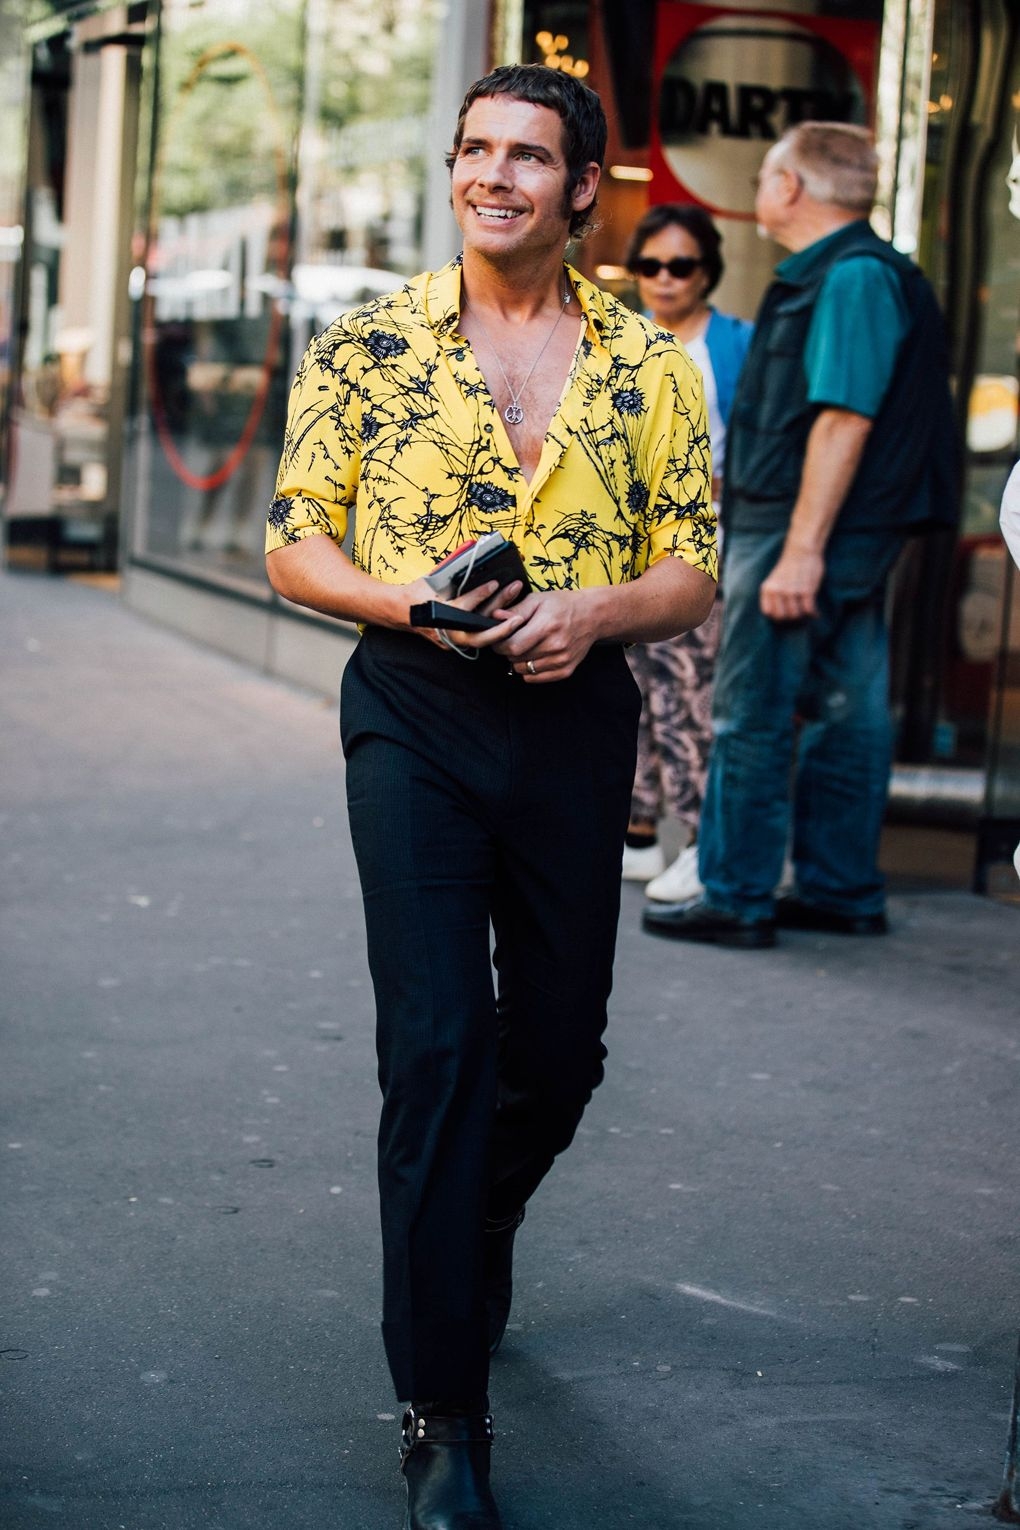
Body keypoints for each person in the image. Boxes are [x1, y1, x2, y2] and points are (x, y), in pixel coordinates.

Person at [265, 64, 715, 1529]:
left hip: (576, 718)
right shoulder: (369, 343)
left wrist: (592, 613)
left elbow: (694, 563)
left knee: (563, 1048)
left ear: (585, 188)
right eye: (475, 149)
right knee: (441, 1042)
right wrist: (407, 603)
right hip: (413, 712)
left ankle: (479, 1210)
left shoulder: (650, 366)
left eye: (529, 155)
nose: (494, 174)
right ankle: (442, 1405)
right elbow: (292, 546)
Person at [642, 121, 958, 950]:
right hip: (839, 533)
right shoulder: (869, 273)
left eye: (765, 177)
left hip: (797, 530)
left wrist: (802, 549)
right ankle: (839, 887)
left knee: (748, 710)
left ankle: (737, 892)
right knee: (847, 709)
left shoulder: (850, 279)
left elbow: (843, 419)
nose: (758, 192)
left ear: (790, 188)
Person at [620, 204, 752, 902]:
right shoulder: (612, 338)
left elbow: (761, 451)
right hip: (616, 557)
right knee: (634, 696)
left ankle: (702, 845)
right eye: (650, 265)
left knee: (688, 702)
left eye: (681, 265)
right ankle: (639, 836)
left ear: (707, 272)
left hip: (700, 551)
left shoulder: (734, 345)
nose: (664, 279)